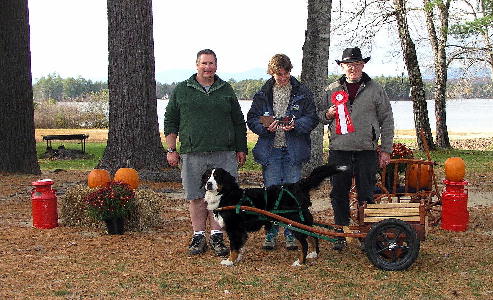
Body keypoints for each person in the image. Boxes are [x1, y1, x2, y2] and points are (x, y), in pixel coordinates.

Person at [163, 49, 248, 256]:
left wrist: (241, 148)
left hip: (224, 153)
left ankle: (217, 236)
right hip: (193, 152)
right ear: (197, 65)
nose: (208, 67)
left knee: (222, 196)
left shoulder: (226, 89)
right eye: (204, 64)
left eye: (211, 63)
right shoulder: (183, 90)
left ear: (216, 66)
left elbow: (238, 121)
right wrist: (171, 149)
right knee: (196, 196)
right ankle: (198, 235)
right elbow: (170, 121)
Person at [318, 47, 394, 251]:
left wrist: (386, 149)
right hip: (339, 150)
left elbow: (387, 119)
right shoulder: (331, 89)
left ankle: (366, 234)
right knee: (338, 193)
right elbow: (319, 116)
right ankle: (341, 234)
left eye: (356, 64)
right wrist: (327, 114)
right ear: (342, 67)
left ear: (363, 65)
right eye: (348, 64)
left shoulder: (376, 89)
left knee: (366, 194)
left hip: (366, 151)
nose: (352, 68)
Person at [247, 54, 318, 251]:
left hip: (293, 151)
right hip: (270, 152)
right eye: (279, 75)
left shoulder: (302, 91)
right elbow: (252, 118)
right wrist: (264, 128)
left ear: (290, 71)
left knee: (292, 195)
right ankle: (270, 233)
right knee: (271, 195)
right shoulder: (263, 93)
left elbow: (312, 118)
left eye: (286, 74)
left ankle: (291, 233)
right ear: (271, 72)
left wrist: (296, 125)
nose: (283, 78)